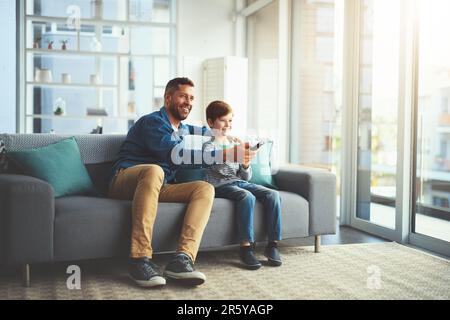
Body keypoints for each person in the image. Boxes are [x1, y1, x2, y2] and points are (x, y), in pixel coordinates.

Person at [109, 78, 254, 287]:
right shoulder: (153, 122)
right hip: (124, 179)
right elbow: (176, 155)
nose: (188, 102)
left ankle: (182, 259)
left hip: (160, 186)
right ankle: (139, 260)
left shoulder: (185, 129)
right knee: (154, 170)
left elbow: (214, 131)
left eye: (192, 98)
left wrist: (238, 143)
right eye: (183, 96)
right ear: (168, 98)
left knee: (204, 188)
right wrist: (224, 155)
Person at [203, 101, 282, 270]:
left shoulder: (234, 143)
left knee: (273, 195)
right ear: (211, 122)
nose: (227, 125)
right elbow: (218, 169)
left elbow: (245, 177)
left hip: (238, 182)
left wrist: (245, 163)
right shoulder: (208, 145)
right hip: (219, 186)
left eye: (230, 121)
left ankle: (272, 245)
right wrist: (234, 154)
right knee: (246, 196)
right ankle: (246, 247)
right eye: (223, 120)